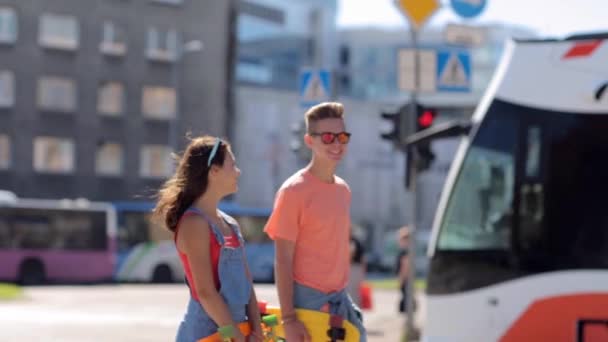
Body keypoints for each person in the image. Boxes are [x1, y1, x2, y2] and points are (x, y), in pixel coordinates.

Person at [264, 102, 367, 341]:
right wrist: (289, 319)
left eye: (342, 137)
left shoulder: (343, 190)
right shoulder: (293, 191)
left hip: (340, 299)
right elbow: (282, 260)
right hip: (306, 302)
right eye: (328, 137)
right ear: (310, 141)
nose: (337, 144)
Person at [153, 135, 263, 342]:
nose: (238, 172)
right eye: (233, 165)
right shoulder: (194, 224)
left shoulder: (231, 224)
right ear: (214, 171)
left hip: (237, 332)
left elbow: (247, 284)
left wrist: (256, 330)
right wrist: (237, 337)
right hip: (205, 334)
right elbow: (205, 293)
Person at [347, 235, 366, 307]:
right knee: (356, 291)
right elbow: (363, 259)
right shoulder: (358, 242)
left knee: (351, 291)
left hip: (353, 268)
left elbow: (351, 255)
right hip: (358, 268)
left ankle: (353, 309)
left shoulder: (351, 241)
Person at [396, 226, 411, 313]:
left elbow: (405, 266)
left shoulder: (405, 251)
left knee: (406, 298)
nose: (399, 241)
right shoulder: (408, 250)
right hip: (407, 278)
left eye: (400, 239)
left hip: (405, 278)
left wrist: (401, 278)